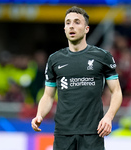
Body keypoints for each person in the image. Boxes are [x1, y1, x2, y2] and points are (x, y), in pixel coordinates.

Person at [31, 6, 122, 150]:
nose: (71, 26)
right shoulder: (54, 59)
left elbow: (116, 91)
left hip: (93, 132)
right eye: (68, 23)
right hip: (63, 133)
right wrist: (39, 115)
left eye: (77, 22)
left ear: (86, 29)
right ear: (64, 29)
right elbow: (48, 96)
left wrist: (108, 117)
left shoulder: (102, 57)